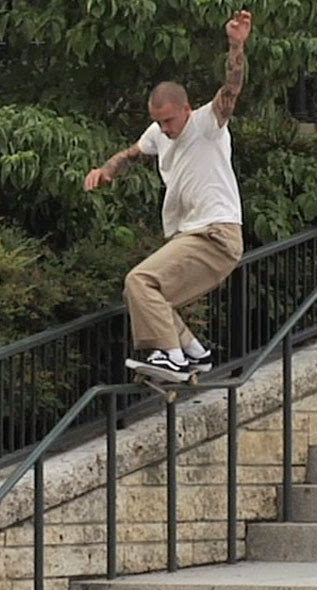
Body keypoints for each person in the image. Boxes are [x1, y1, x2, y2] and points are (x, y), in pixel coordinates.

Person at [84, 10, 253, 384]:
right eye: (159, 122)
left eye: (170, 121)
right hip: (193, 234)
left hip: (216, 233)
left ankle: (172, 359)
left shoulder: (208, 123)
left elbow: (232, 90)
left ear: (187, 110)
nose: (165, 129)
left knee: (140, 281)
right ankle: (196, 353)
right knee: (151, 297)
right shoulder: (158, 134)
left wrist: (236, 46)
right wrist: (107, 171)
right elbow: (132, 154)